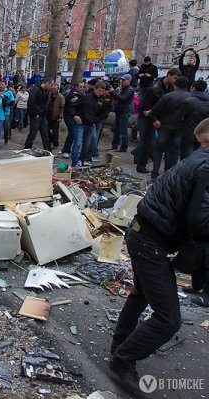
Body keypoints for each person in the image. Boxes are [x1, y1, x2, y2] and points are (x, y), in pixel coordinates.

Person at [108, 119, 209, 396]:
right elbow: (200, 221)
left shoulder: (200, 158)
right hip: (149, 240)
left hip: (145, 233)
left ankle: (121, 347)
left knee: (141, 294)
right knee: (168, 318)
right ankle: (122, 359)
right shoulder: (206, 166)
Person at [137, 68, 181, 173]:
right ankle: (141, 164)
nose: (176, 80)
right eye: (174, 78)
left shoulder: (170, 88)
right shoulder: (154, 88)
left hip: (162, 119)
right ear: (169, 75)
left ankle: (141, 160)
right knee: (147, 141)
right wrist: (154, 119)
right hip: (149, 118)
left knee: (154, 142)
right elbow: (144, 106)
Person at [149, 76, 191, 179]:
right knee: (174, 151)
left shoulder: (168, 96)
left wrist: (155, 120)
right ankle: (169, 174)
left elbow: (154, 111)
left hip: (165, 126)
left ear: (176, 85)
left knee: (159, 149)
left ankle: (155, 172)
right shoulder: (190, 98)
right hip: (180, 128)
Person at [179, 79, 209, 158]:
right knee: (196, 155)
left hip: (188, 133)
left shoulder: (188, 101)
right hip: (201, 133)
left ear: (193, 88)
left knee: (186, 157)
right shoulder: (207, 101)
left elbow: (180, 116)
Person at [24, 77, 53, 151]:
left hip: (42, 115)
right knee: (33, 133)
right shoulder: (36, 89)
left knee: (45, 134)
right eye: (51, 85)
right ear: (47, 83)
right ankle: (26, 148)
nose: (51, 87)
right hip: (36, 115)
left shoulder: (45, 92)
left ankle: (48, 150)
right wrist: (35, 113)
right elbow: (31, 102)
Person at [60, 82, 86, 158]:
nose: (82, 89)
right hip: (69, 116)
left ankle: (68, 150)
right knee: (72, 132)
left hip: (76, 116)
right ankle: (66, 150)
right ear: (76, 87)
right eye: (80, 87)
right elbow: (74, 103)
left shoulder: (81, 95)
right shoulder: (71, 95)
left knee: (74, 133)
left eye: (83, 87)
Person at [111, 74, 136, 152]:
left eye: (124, 80)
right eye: (121, 80)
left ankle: (123, 147)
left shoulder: (130, 90)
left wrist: (114, 92)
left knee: (123, 130)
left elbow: (123, 99)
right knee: (116, 129)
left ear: (129, 81)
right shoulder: (122, 88)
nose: (122, 81)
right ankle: (115, 145)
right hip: (119, 110)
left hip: (124, 111)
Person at [47, 83, 65, 149]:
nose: (53, 90)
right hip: (48, 115)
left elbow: (62, 107)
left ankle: (55, 144)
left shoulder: (61, 97)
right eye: (52, 89)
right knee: (46, 129)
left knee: (55, 131)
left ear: (58, 89)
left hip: (56, 116)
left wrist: (60, 116)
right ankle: (50, 139)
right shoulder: (49, 95)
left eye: (54, 89)